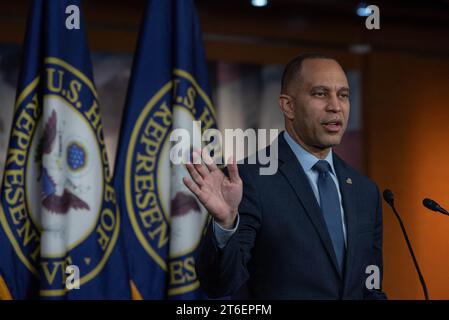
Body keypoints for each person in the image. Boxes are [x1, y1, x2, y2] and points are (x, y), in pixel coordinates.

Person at [183, 53, 387, 299]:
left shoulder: (366, 192)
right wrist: (226, 225)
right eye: (320, 93)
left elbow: (369, 288)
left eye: (343, 95)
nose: (336, 106)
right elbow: (219, 284)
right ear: (288, 106)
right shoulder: (250, 180)